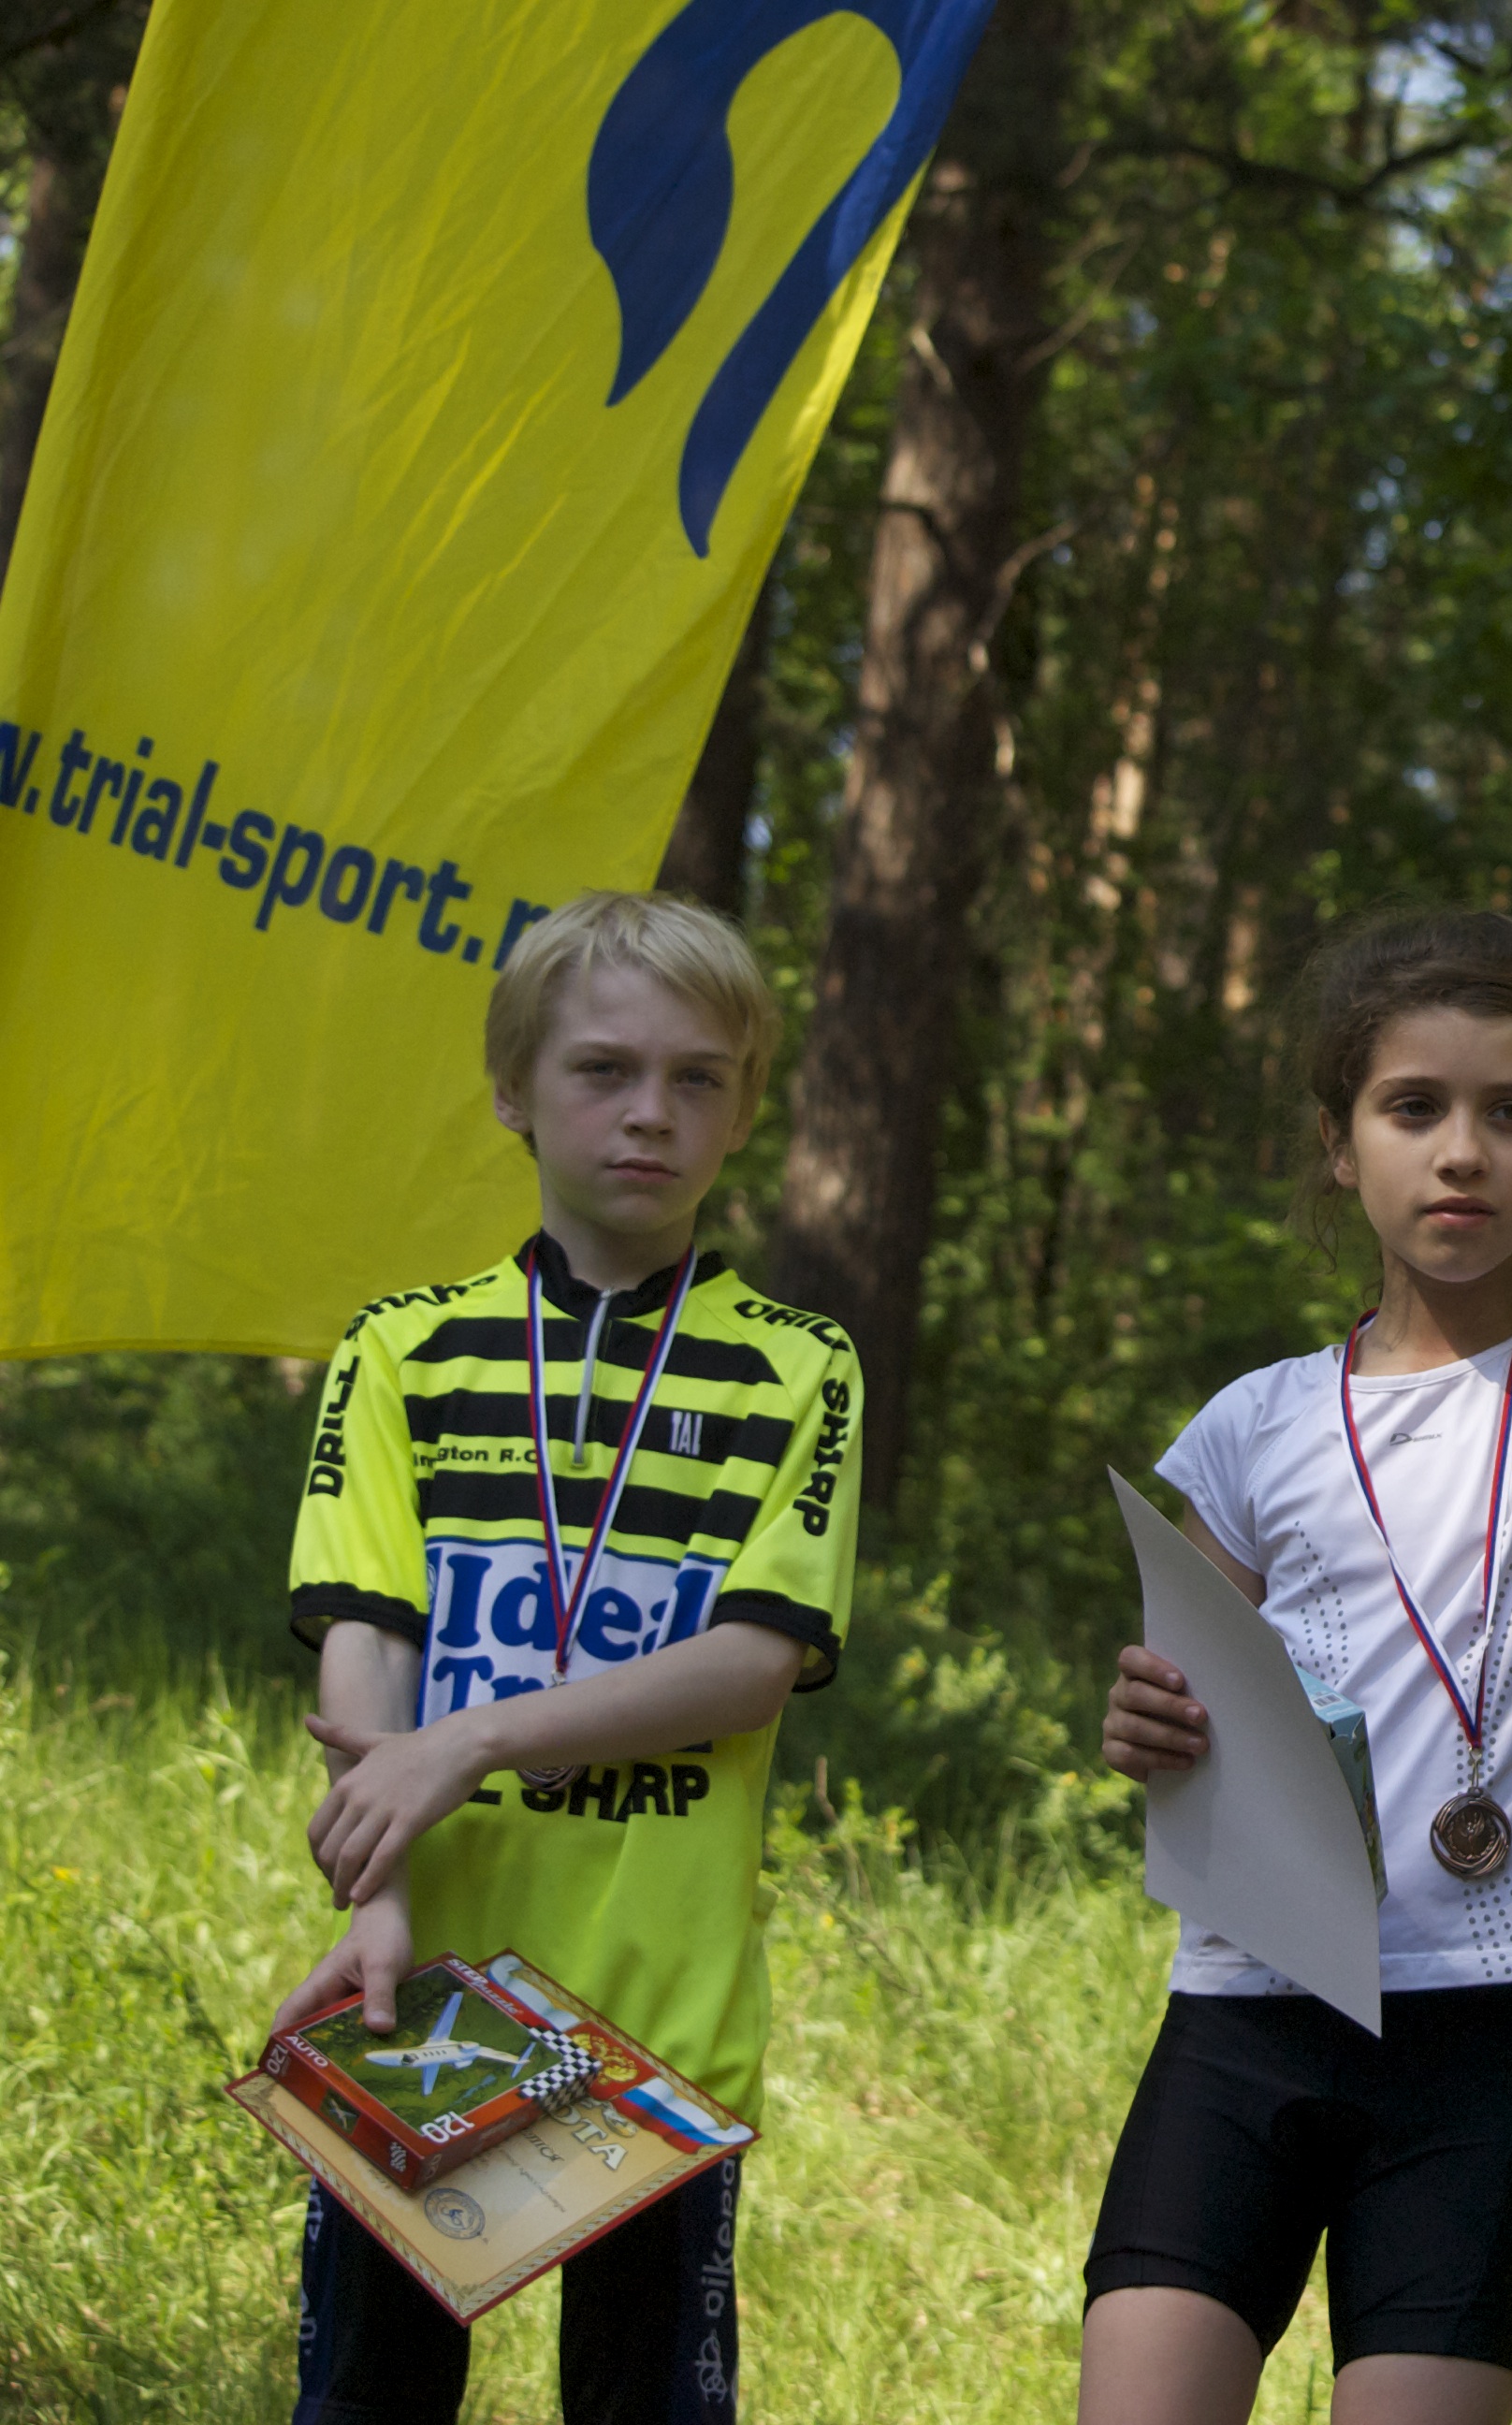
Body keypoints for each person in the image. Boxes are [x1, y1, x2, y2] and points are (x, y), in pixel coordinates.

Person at [1083, 910, 1512, 2425]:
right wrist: (1146, 1720)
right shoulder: (1257, 1421)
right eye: (1413, 1108)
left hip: (1481, 2023)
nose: (1461, 1154)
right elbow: (1194, 1681)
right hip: (1250, 2000)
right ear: (1338, 1143)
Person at [268, 888, 864, 2425]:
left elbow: (750, 1664)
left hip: (664, 2021)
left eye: (697, 1078)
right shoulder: (401, 1349)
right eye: (603, 1070)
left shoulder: (799, 1367)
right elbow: (369, 1637)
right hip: (424, 1991)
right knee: (367, 2398)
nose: (649, 1112)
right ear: (513, 1088)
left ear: (742, 1111)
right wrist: (377, 1904)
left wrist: (472, 1739)